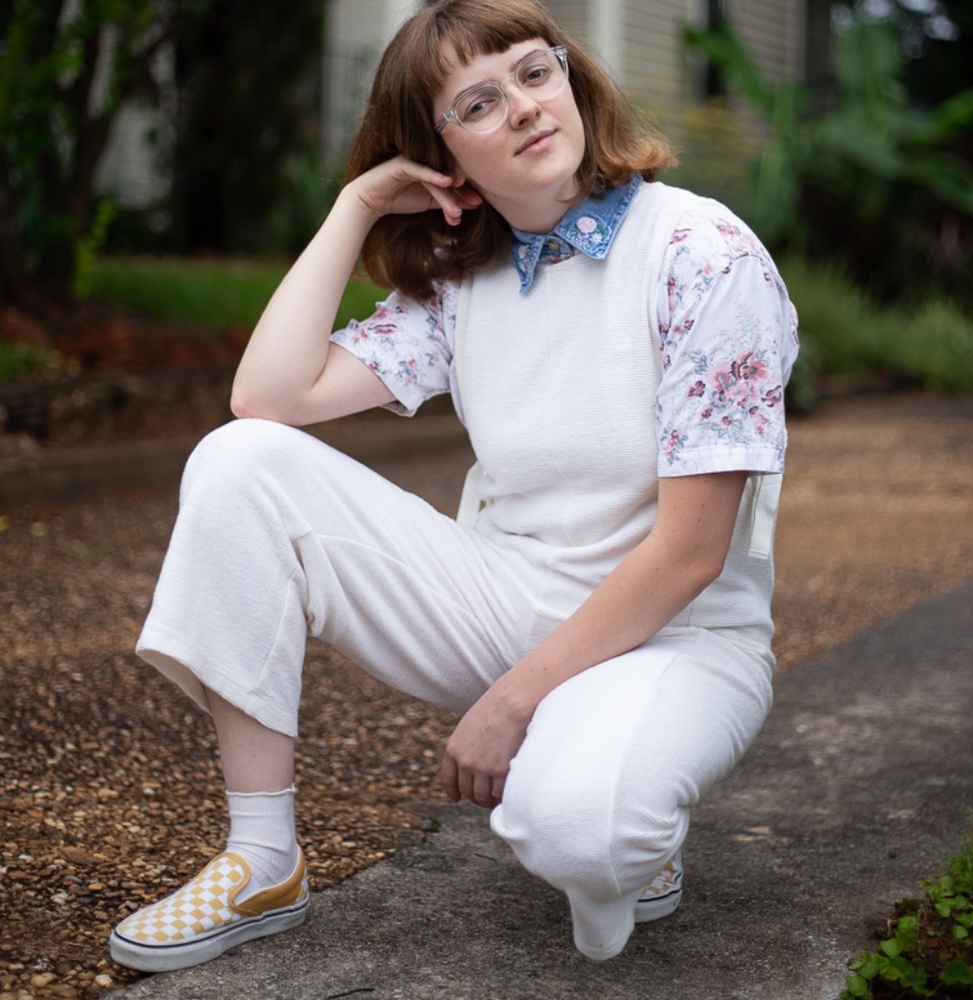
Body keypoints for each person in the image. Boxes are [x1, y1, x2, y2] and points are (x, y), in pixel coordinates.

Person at [109, 0, 798, 973]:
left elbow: (691, 551)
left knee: (578, 832)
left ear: (570, 77)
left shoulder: (700, 253)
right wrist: (355, 205)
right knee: (240, 458)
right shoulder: (467, 282)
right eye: (476, 103)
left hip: (678, 637)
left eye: (531, 71)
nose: (520, 106)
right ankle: (261, 855)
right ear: (440, 159)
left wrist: (513, 705)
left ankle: (621, 794)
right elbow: (268, 395)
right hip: (507, 598)